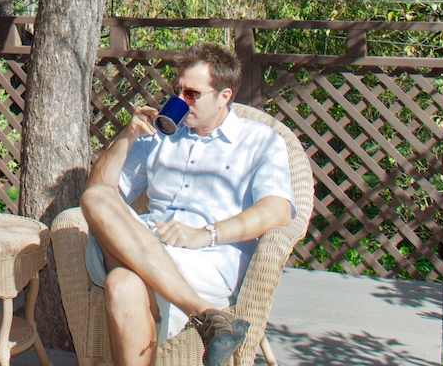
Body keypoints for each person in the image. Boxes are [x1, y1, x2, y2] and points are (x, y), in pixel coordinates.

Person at [80, 42, 294, 366]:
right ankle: (205, 315)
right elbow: (101, 191)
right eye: (177, 90)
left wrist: (206, 234)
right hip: (146, 240)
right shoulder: (161, 134)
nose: (179, 100)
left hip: (206, 260)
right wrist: (127, 136)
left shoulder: (259, 141)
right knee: (94, 196)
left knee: (122, 284)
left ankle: (204, 313)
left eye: (192, 94)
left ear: (224, 96)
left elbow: (278, 209)